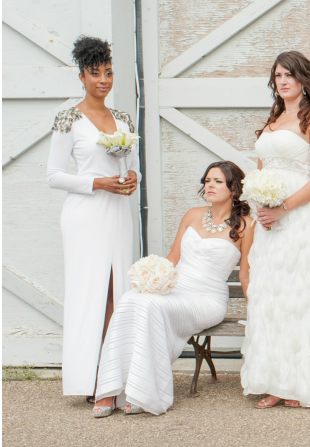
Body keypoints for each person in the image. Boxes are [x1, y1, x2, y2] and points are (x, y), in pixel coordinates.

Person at [92, 162, 254, 416]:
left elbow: (245, 274)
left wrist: (258, 308)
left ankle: (140, 392)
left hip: (206, 299)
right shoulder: (192, 214)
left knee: (149, 305)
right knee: (130, 299)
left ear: (234, 189)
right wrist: (151, 277)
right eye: (207, 180)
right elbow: (172, 258)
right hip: (176, 288)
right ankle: (112, 389)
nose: (209, 185)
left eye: (218, 181)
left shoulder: (246, 225)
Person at [241, 52, 310, 409]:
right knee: (271, 297)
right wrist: (260, 203)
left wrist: (283, 207)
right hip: (269, 220)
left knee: (297, 297)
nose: (283, 81)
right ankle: (275, 381)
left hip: (299, 218)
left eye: (289, 75)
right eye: (278, 75)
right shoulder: (274, 119)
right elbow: (264, 170)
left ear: (304, 80)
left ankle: (299, 383)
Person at [47, 36, 139, 403]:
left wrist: (135, 178)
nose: (103, 79)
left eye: (109, 72)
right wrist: (96, 183)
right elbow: (53, 176)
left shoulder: (124, 119)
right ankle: (93, 382)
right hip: (85, 217)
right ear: (82, 76)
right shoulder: (68, 118)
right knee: (93, 295)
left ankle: (116, 378)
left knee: (119, 293)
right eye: (95, 72)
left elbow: (131, 168)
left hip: (118, 214)